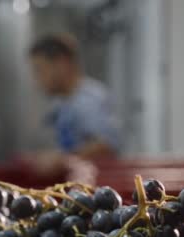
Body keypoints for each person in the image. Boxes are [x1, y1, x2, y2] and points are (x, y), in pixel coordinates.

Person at [27, 33, 120, 175]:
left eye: (39, 70)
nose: (37, 80)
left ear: (61, 64)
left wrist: (61, 159)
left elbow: (106, 146)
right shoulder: (62, 102)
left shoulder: (89, 99)